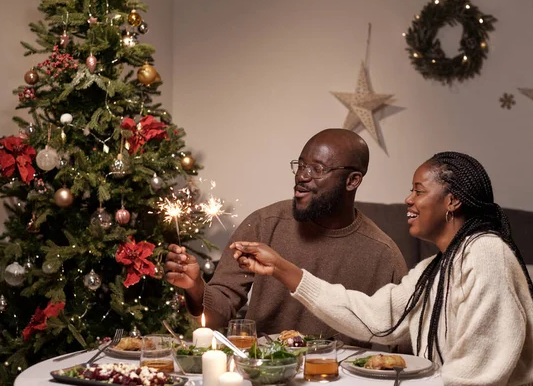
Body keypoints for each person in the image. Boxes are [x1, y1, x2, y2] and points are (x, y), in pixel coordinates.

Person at [232, 151, 533, 386]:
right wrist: (281, 268)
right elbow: (375, 317)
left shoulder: (486, 252)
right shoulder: (436, 268)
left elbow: (478, 373)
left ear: (452, 201)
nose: (407, 199)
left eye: (418, 190)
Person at [164, 128, 407, 347]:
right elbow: (218, 314)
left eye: (318, 169)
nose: (302, 176)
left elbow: (403, 346)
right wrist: (196, 287)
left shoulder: (382, 253)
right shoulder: (264, 224)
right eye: (300, 165)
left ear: (352, 181)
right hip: (264, 372)